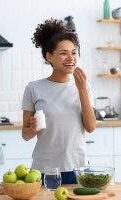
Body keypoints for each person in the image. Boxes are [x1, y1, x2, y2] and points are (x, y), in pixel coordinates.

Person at [21, 18, 96, 184]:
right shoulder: (34, 88)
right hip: (44, 169)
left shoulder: (84, 86)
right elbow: (25, 135)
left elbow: (90, 127)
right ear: (49, 57)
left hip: (78, 168)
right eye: (63, 53)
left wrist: (82, 89)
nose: (70, 58)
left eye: (74, 52)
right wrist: (32, 128)